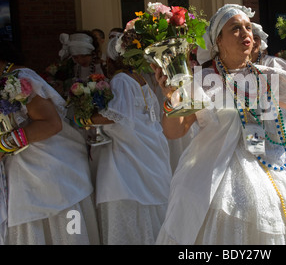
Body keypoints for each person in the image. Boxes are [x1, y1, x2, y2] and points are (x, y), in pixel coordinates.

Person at [154, 4, 286, 245]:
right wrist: (171, 99)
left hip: (273, 157)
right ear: (218, 41)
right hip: (218, 168)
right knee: (242, 207)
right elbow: (175, 131)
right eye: (235, 28)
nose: (245, 33)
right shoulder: (203, 80)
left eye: (248, 27)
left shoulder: (267, 75)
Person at [0, 40, 99, 245]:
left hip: (50, 172)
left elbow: (51, 124)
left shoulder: (19, 78)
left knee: (66, 231)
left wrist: (3, 145)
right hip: (24, 174)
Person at [82, 35, 172, 244]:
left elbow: (116, 116)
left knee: (129, 202)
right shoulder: (140, 79)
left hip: (128, 156)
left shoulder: (121, 80)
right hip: (146, 147)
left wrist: (83, 118)